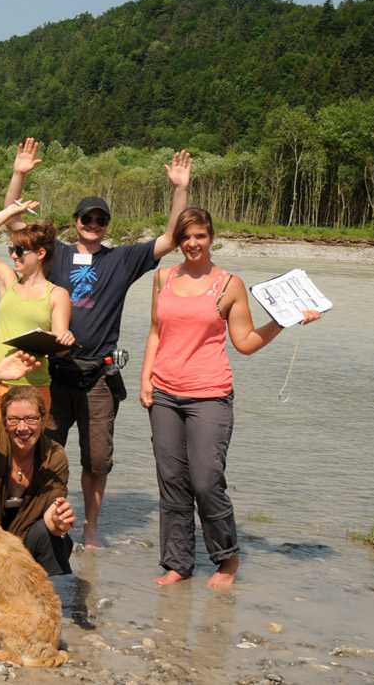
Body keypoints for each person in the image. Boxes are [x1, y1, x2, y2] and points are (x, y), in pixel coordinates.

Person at [4, 140, 191, 548]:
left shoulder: (122, 260)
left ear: (107, 225)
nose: (93, 223)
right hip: (54, 374)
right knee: (44, 450)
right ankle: (45, 520)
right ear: (75, 222)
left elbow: (171, 239)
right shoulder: (55, 255)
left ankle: (89, 526)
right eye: (86, 218)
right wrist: (19, 174)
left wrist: (180, 189)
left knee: (98, 458)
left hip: (99, 377)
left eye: (100, 219)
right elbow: (15, 229)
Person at [138, 208, 319, 589]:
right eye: (186, 236)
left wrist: (285, 319)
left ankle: (227, 560)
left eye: (200, 236)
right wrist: (145, 380)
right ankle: (178, 563)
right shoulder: (162, 278)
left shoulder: (228, 284)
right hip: (165, 394)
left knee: (206, 482)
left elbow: (246, 343)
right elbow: (156, 332)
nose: (192, 243)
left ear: (211, 238)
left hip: (210, 395)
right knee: (172, 481)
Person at [0, 350, 78, 577]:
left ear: (43, 420)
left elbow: (51, 508)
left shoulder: (54, 456)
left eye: (31, 419)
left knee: (53, 536)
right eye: (14, 420)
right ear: (4, 420)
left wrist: (59, 522)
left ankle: (28, 587)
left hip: (19, 534)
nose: (22, 428)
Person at [0, 198, 75, 428]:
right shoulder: (7, 281)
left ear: (40, 253)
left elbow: (62, 346)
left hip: (32, 387)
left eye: (19, 251)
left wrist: (65, 338)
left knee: (24, 457)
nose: (14, 256)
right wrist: (8, 212)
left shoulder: (57, 294)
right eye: (12, 250)